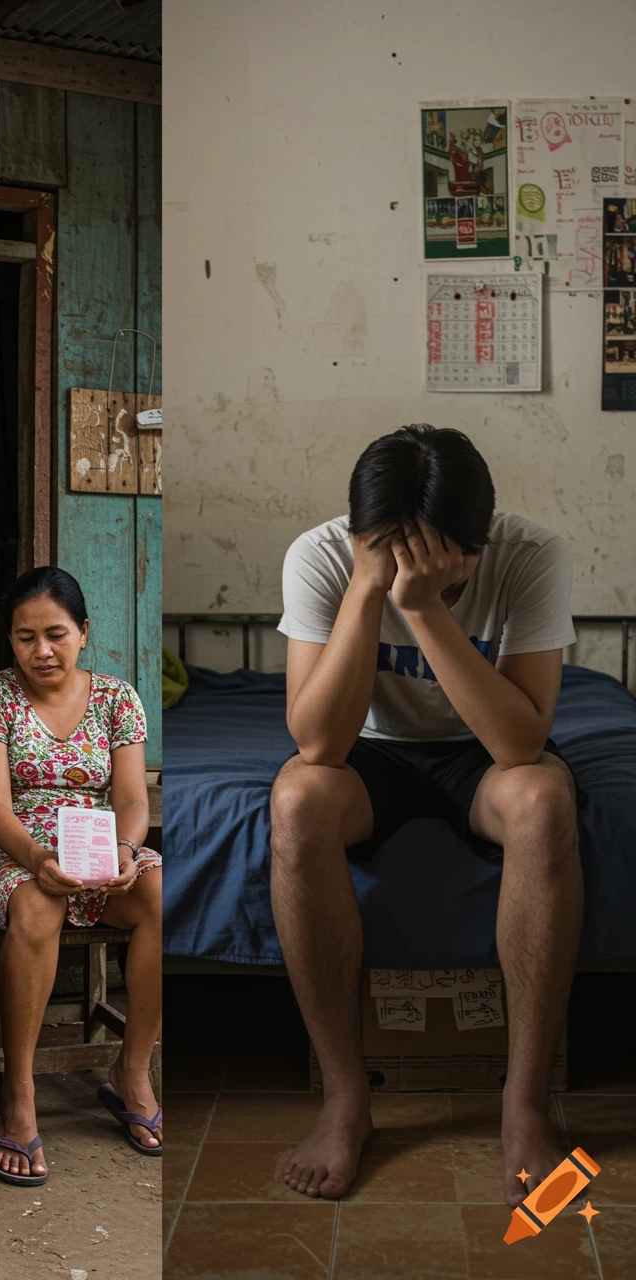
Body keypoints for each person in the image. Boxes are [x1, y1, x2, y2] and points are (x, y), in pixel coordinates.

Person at [271, 425, 580, 1208]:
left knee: (545, 803)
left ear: (479, 540)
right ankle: (346, 1097)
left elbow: (518, 743)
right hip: (366, 753)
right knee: (297, 799)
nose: (427, 575)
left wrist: (423, 610)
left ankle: (524, 1103)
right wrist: (368, 589)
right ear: (359, 535)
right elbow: (317, 742)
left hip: (481, 751)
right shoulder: (322, 555)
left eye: (448, 565)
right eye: (396, 555)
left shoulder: (530, 555)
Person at [0, 567, 162, 1183]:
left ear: (83, 633)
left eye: (55, 634)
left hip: (99, 849)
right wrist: (39, 860)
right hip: (12, 851)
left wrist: (126, 850)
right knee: (39, 905)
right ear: (10, 639)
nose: (41, 650)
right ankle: (18, 1093)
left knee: (161, 891)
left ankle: (132, 1070)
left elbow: (130, 798)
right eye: (25, 637)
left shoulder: (117, 698)